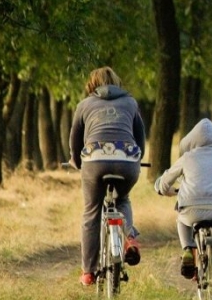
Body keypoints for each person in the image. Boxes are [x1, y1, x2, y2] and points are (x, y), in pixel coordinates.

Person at [69, 66, 146, 286]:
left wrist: (76, 161)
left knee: (91, 212)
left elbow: (75, 140)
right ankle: (129, 238)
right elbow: (140, 138)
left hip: (94, 160)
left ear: (92, 84)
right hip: (127, 160)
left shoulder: (84, 105)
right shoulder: (131, 103)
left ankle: (88, 271)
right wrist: (136, 159)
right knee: (122, 199)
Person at [154, 118, 212, 288]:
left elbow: (165, 181)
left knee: (182, 221)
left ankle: (187, 250)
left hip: (190, 210)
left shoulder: (187, 157)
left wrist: (161, 188)